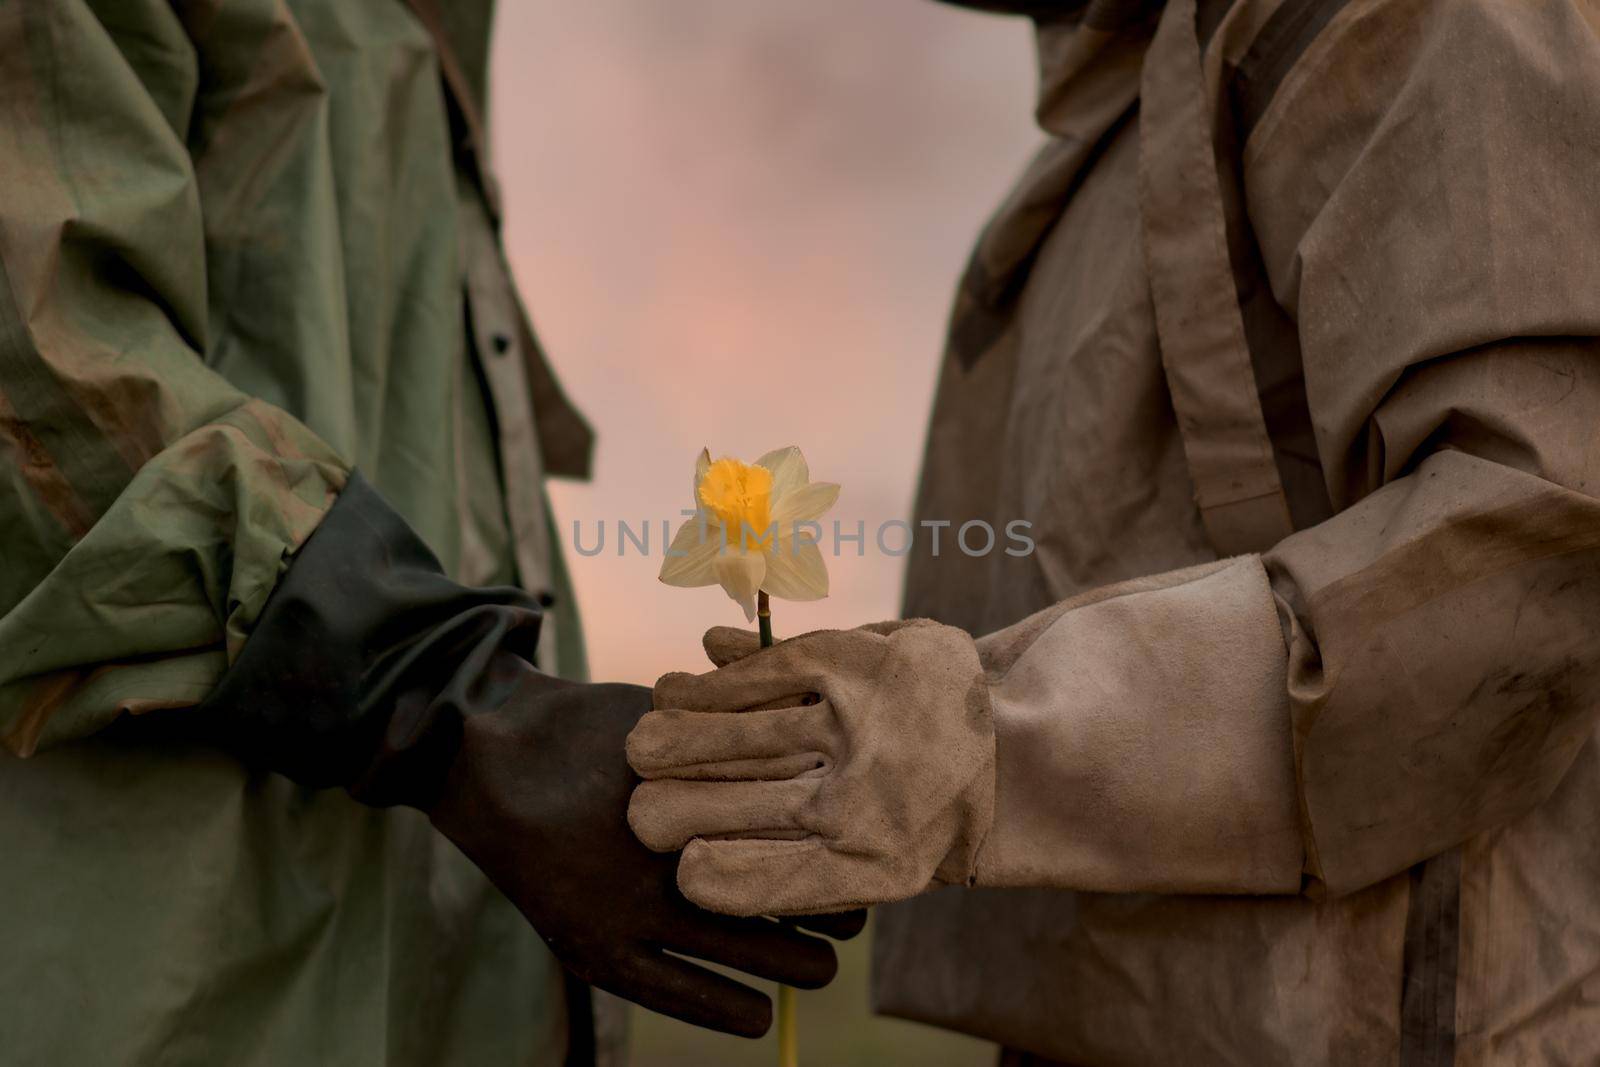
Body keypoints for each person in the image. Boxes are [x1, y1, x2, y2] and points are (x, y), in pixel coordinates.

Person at [626, 0, 1600, 1063]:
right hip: (1138, 1022)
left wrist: (978, 749)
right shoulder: (1107, 130)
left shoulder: (1418, 20)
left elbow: (1530, 559)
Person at [0, 2, 856, 1064]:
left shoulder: (422, 38)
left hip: (446, 947)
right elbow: (42, 370)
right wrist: (459, 708)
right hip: (174, 958)